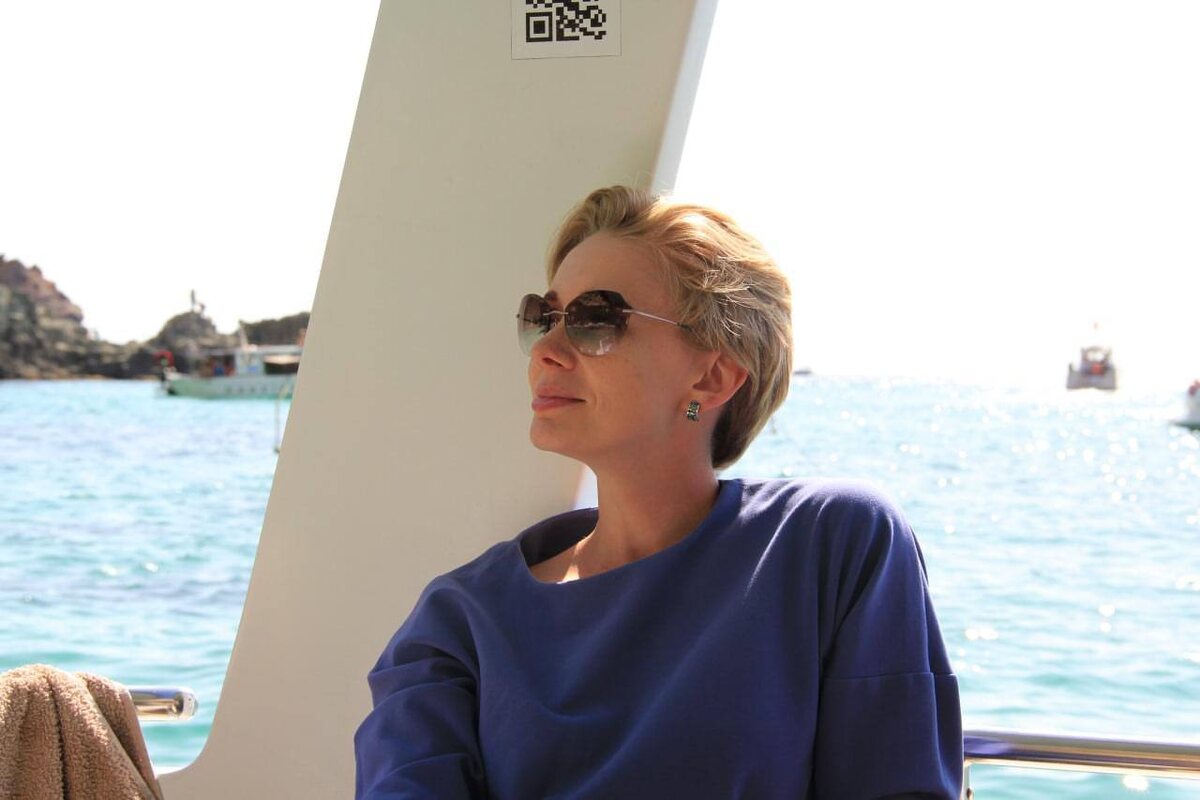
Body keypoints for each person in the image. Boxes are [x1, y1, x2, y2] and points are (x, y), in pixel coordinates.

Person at [354, 186, 963, 799]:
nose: (546, 352)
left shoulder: (830, 544)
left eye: (595, 319)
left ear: (713, 376)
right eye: (543, 317)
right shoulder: (460, 618)